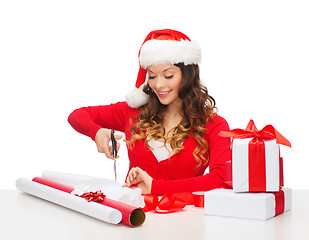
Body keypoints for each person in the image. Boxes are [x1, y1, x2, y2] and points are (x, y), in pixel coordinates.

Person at [68, 29, 231, 195]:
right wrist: (96, 132)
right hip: (133, 217)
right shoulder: (132, 113)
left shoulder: (214, 124)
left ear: (188, 75)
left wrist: (156, 187)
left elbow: (221, 179)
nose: (158, 85)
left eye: (168, 75)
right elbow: (77, 115)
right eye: (152, 76)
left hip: (187, 220)